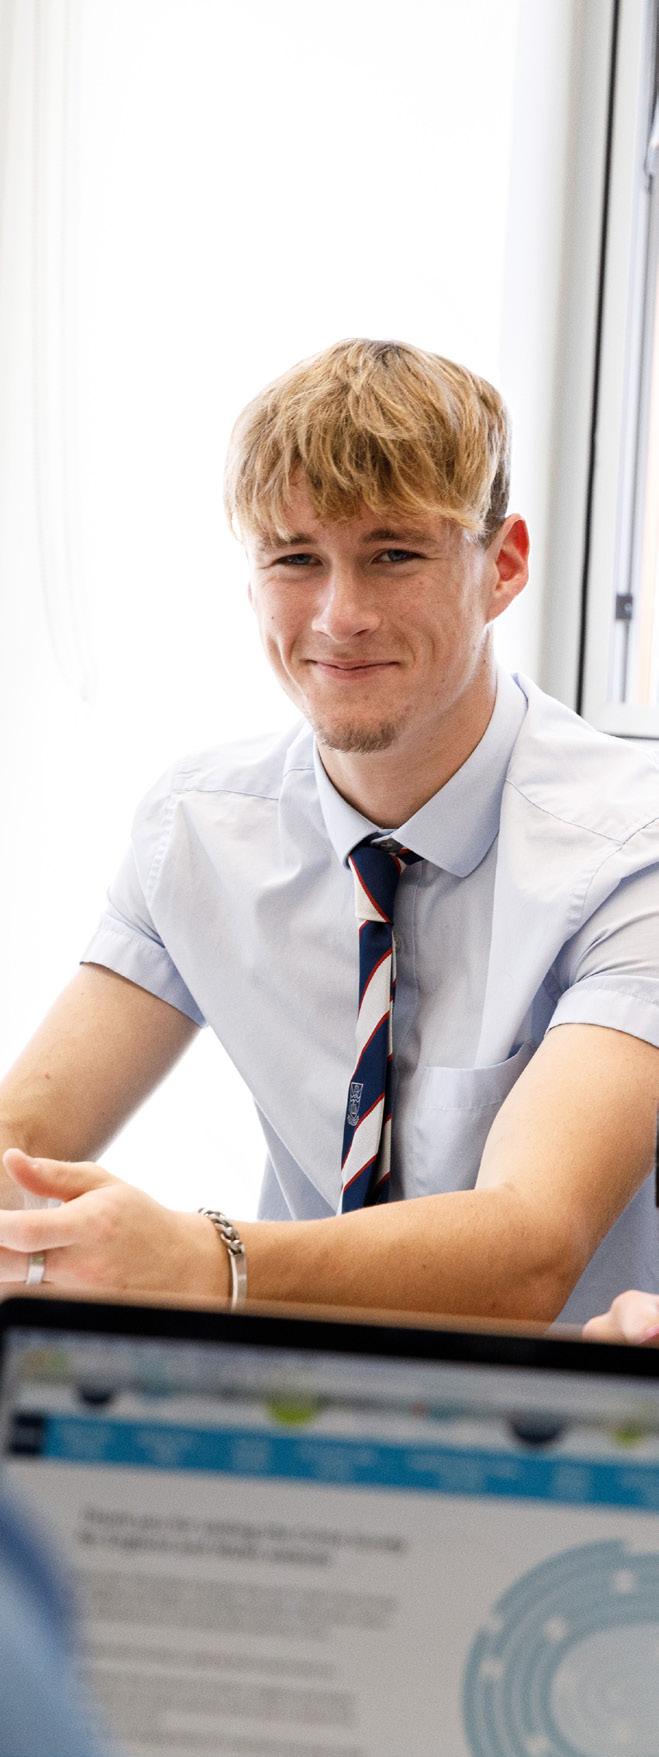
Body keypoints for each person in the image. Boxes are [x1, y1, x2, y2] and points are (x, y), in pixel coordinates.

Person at [0, 338, 657, 1326]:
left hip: (556, 1409)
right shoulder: (198, 829)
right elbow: (22, 1140)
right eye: (295, 559)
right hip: (290, 1401)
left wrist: (203, 1261)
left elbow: (528, 1245)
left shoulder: (629, 848)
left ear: (503, 565)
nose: (339, 615)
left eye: (393, 554)